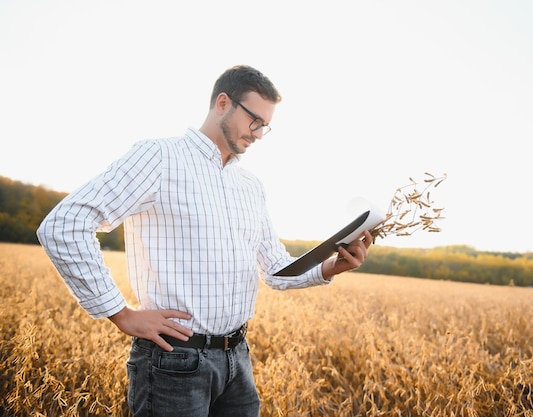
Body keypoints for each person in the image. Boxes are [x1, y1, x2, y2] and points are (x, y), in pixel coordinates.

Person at [36, 64, 372, 417]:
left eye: (265, 127)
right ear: (223, 103)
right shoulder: (160, 157)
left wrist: (334, 265)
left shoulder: (250, 186)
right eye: (254, 120)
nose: (258, 134)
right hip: (174, 362)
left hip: (237, 359)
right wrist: (120, 313)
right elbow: (65, 223)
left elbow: (275, 269)